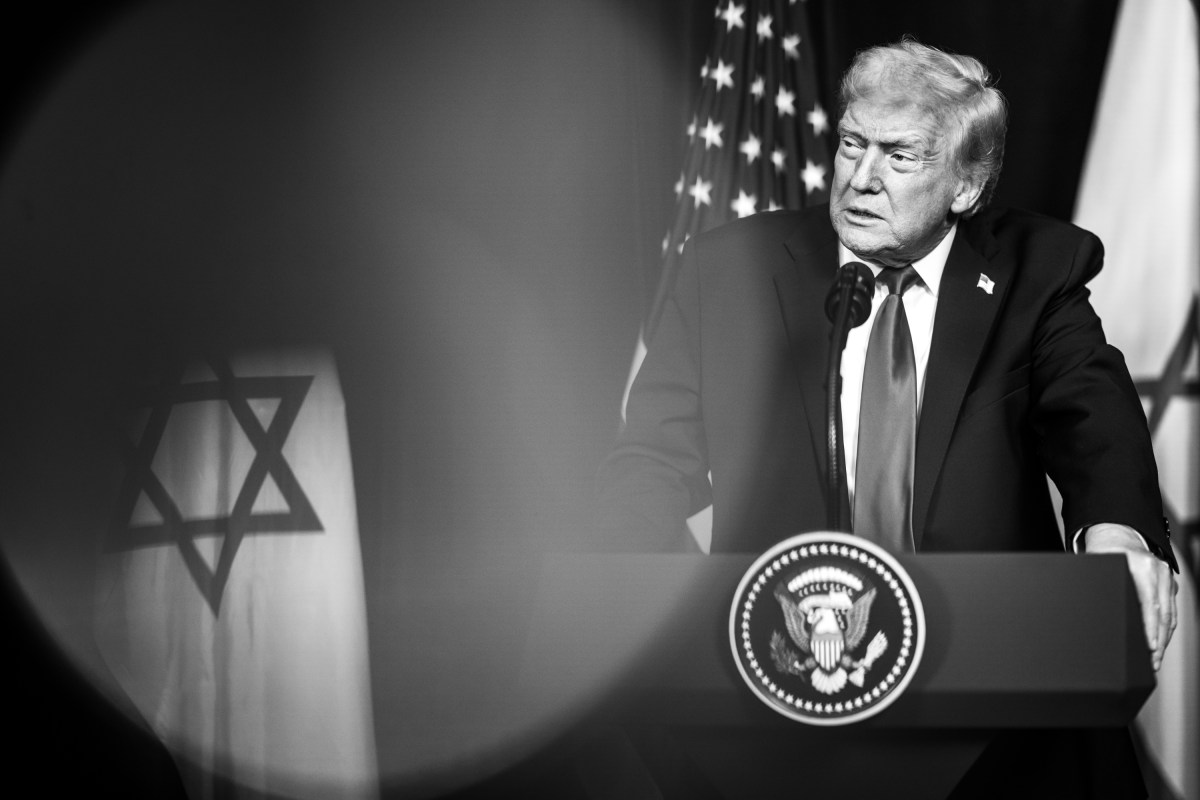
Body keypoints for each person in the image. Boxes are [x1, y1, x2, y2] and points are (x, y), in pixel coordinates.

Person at [595, 39, 1178, 797]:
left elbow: (1095, 423)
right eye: (850, 144)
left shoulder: (1038, 270)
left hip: (997, 704)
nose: (861, 179)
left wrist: (1120, 533)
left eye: (899, 156)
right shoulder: (727, 269)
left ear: (967, 185)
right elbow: (652, 460)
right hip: (776, 687)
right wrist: (612, 574)